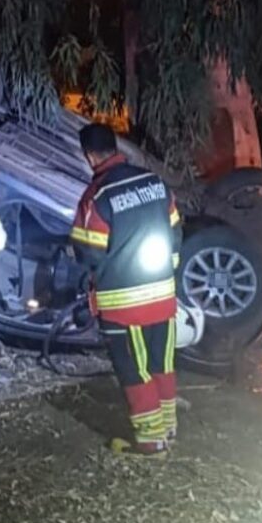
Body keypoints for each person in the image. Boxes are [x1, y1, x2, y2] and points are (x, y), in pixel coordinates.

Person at [70, 123, 183, 456]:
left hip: (123, 305)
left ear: (89, 156)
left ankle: (150, 441)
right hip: (163, 296)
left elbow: (89, 253)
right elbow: (175, 232)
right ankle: (168, 428)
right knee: (161, 363)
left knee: (134, 370)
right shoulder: (155, 183)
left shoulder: (97, 197)